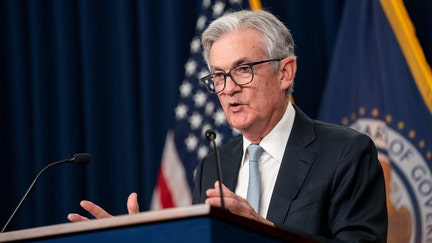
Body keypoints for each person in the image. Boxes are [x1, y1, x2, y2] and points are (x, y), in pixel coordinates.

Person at [68, 10, 388, 242]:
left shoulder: (345, 152)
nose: (228, 88)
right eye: (218, 76)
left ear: (285, 72)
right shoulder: (212, 166)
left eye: (243, 69)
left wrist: (265, 233)